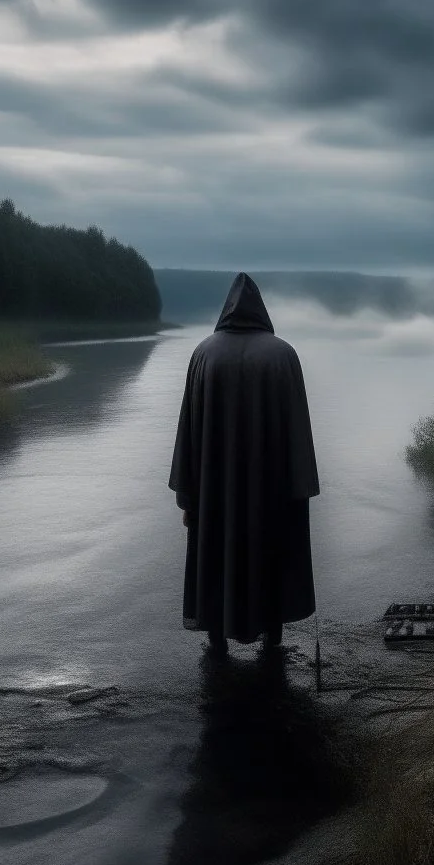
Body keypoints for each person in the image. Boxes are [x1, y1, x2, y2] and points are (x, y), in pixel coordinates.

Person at [168, 272, 320, 654]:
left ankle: (217, 640)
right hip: (271, 492)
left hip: (214, 493)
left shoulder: (203, 354)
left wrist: (188, 498)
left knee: (217, 553)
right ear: (261, 311)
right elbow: (297, 431)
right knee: (271, 555)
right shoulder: (283, 355)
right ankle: (272, 637)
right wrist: (300, 488)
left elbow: (188, 430)